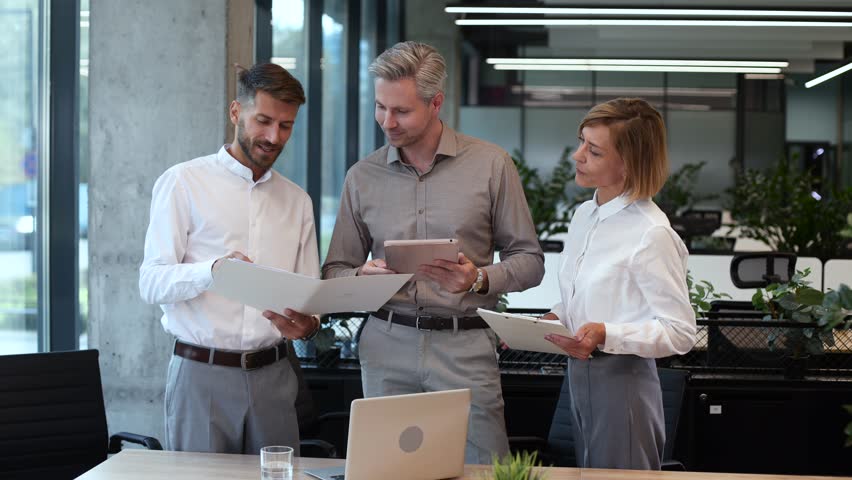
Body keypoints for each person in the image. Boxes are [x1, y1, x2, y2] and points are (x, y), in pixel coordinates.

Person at [322, 41, 545, 464]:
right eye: (380, 107)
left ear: (436, 103)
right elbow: (334, 271)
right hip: (386, 345)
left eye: (401, 111)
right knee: (389, 471)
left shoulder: (491, 165)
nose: (387, 121)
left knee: (484, 469)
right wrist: (359, 278)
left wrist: (478, 278)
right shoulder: (361, 177)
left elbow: (530, 261)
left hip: (465, 347)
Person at [139, 63, 321, 454]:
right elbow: (150, 281)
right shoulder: (183, 182)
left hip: (274, 377)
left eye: (286, 126)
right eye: (264, 121)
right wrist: (212, 271)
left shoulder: (298, 202)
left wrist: (308, 324)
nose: (274, 137)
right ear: (236, 112)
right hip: (200, 377)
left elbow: (310, 295)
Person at [542, 97, 697, 470]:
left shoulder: (650, 233)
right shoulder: (585, 215)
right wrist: (556, 315)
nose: (578, 155)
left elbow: (681, 331)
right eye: (581, 142)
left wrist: (605, 333)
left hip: (622, 381)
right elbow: (595, 292)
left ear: (627, 164)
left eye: (594, 151)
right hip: (579, 373)